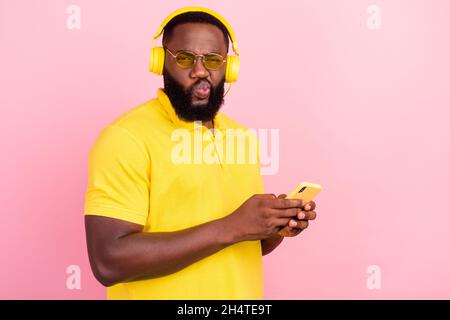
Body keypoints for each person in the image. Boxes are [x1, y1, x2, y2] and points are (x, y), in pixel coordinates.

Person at [83, 7, 317, 300]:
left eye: (213, 60)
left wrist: (273, 226)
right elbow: (108, 261)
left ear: (228, 68)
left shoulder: (241, 138)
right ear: (160, 62)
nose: (200, 70)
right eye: (184, 58)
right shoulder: (126, 138)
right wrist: (233, 226)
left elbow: (243, 241)